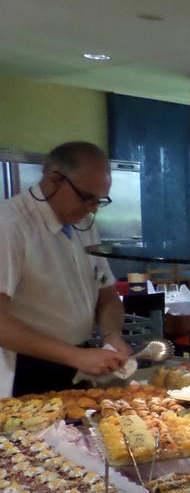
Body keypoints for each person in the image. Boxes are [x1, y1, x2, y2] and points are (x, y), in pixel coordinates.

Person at [0, 141, 130, 397]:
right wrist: (75, 356)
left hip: (76, 363)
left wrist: (112, 335)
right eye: (86, 198)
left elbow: (107, 295)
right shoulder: (10, 225)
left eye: (99, 201)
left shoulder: (84, 224)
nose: (93, 209)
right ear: (54, 180)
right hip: (25, 369)